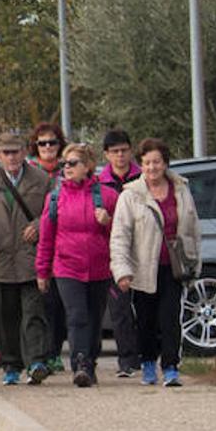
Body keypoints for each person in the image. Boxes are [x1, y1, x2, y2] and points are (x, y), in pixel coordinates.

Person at [110, 138, 202, 387]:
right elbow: (119, 236)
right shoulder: (131, 195)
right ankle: (148, 362)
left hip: (173, 267)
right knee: (146, 320)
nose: (152, 167)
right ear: (140, 165)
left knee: (170, 318)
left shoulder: (181, 189)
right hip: (142, 268)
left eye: (157, 162)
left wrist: (194, 263)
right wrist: (122, 271)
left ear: (165, 163)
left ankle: (171, 367)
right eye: (147, 163)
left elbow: (193, 229)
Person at [35, 144, 120, 386]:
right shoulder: (55, 198)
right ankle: (80, 363)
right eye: (65, 163)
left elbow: (122, 235)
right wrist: (42, 271)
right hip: (67, 267)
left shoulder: (107, 196)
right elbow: (46, 237)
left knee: (94, 318)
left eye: (73, 163)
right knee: (77, 316)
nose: (67, 168)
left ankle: (90, 363)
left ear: (88, 166)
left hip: (99, 267)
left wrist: (108, 222)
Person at [0, 132, 51, 386]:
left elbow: (53, 211)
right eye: (6, 152)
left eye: (16, 151)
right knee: (6, 316)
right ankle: (11, 364)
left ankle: (36, 361)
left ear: (24, 152)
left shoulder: (41, 179)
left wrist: (39, 224)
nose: (12, 157)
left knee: (33, 311)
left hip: (30, 257)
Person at [98, 129, 142, 378]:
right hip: (113, 255)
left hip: (143, 251)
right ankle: (126, 359)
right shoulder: (99, 184)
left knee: (145, 307)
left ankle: (146, 354)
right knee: (119, 309)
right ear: (106, 155)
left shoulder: (143, 177)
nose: (120, 155)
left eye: (124, 150)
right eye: (115, 151)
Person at [29, 122, 69, 375]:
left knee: (59, 304)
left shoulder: (68, 171)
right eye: (42, 143)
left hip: (63, 245)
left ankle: (54, 351)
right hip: (33, 244)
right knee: (38, 303)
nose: (47, 148)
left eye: (52, 142)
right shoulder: (29, 173)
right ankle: (38, 352)